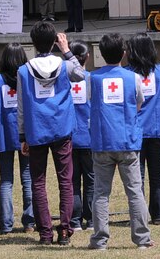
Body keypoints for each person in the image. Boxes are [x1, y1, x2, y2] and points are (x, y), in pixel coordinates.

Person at [17, 22, 85, 246]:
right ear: (55, 41)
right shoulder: (64, 66)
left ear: (33, 43)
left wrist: (22, 135)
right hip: (61, 128)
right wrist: (66, 50)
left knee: (38, 182)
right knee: (66, 181)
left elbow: (21, 107)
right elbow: (81, 74)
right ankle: (65, 230)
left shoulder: (24, 70)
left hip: (36, 129)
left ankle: (45, 233)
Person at [87, 33, 154, 250]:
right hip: (127, 141)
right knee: (135, 191)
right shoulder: (132, 77)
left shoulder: (93, 78)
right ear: (124, 54)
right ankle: (142, 239)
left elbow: (90, 100)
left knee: (101, 193)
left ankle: (99, 240)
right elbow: (139, 102)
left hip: (102, 141)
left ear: (101, 54)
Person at [0, 44, 34, 235]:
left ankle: (6, 225)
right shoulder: (28, 79)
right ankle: (30, 222)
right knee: (28, 178)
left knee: (6, 180)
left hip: (3, 134)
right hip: (26, 134)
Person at [126, 33, 160, 225]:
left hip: (135, 130)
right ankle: (159, 214)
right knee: (156, 172)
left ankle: (140, 215)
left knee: (138, 175)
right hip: (157, 128)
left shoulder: (127, 74)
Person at [68, 41, 93, 232]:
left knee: (72, 181)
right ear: (87, 58)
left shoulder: (63, 81)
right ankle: (91, 220)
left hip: (68, 137)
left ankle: (74, 221)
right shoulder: (91, 79)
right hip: (89, 137)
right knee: (92, 180)